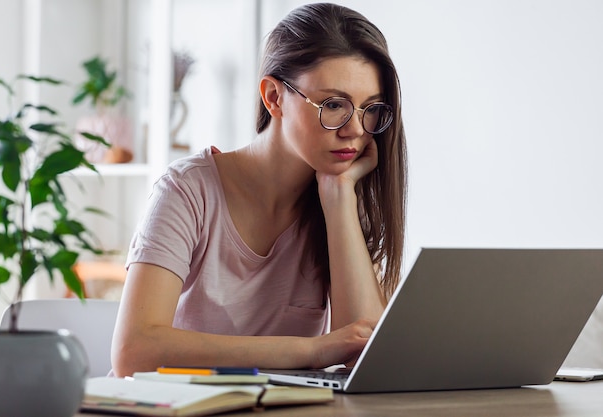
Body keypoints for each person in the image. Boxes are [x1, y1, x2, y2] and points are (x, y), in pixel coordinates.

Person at [111, 2, 407, 377]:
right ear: (273, 97)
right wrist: (313, 350)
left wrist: (338, 197)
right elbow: (133, 352)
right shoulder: (187, 191)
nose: (356, 130)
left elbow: (364, 356)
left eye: (370, 109)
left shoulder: (340, 201)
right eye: (334, 105)